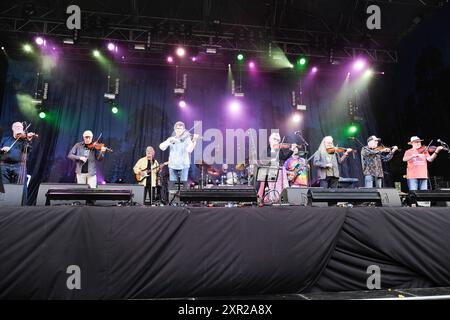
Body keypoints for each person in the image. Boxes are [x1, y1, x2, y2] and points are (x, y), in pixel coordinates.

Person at [159, 121, 199, 192]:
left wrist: (194, 141)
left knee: (183, 187)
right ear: (174, 129)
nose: (179, 130)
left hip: (184, 165)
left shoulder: (187, 139)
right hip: (172, 165)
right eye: (177, 128)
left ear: (183, 130)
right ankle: (173, 202)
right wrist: (169, 141)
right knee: (172, 187)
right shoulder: (171, 138)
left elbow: (189, 150)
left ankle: (183, 202)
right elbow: (161, 147)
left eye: (180, 128)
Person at [257, 132, 295, 203]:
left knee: (279, 186)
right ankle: (269, 199)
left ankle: (278, 199)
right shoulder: (266, 150)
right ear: (270, 140)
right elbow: (263, 161)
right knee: (269, 187)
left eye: (278, 140)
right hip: (269, 171)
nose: (276, 141)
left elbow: (284, 157)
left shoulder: (279, 150)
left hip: (279, 171)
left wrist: (291, 150)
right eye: (275, 139)